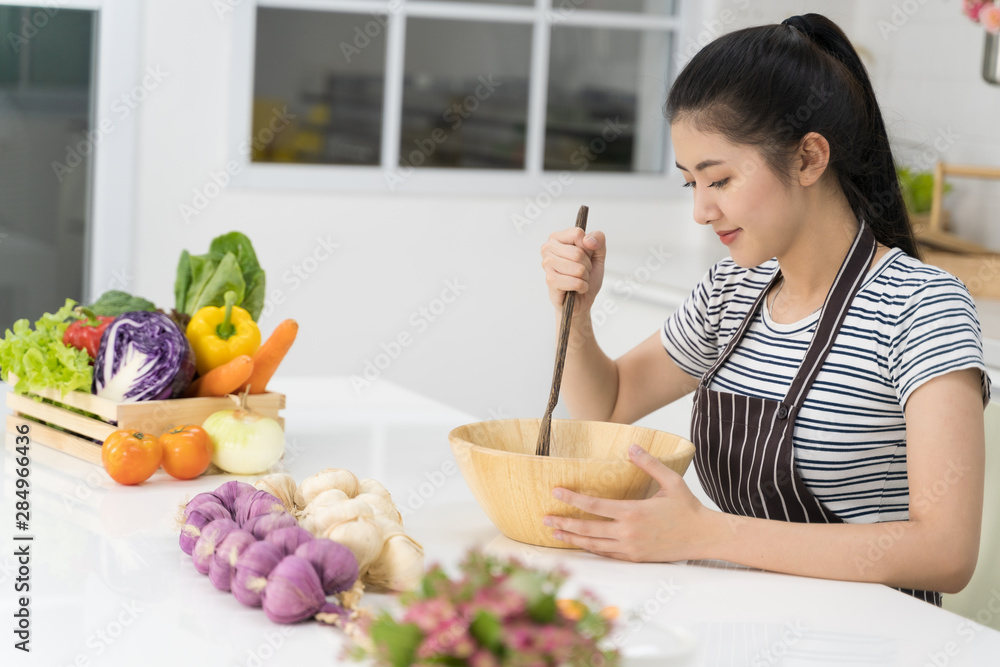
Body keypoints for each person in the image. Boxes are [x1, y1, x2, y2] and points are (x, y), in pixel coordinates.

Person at [539, 13, 990, 606]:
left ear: (807, 159)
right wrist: (575, 311)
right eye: (689, 184)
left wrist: (707, 533)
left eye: (719, 180)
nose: (701, 210)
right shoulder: (732, 291)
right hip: (744, 618)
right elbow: (608, 403)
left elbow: (946, 553)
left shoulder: (919, 307)